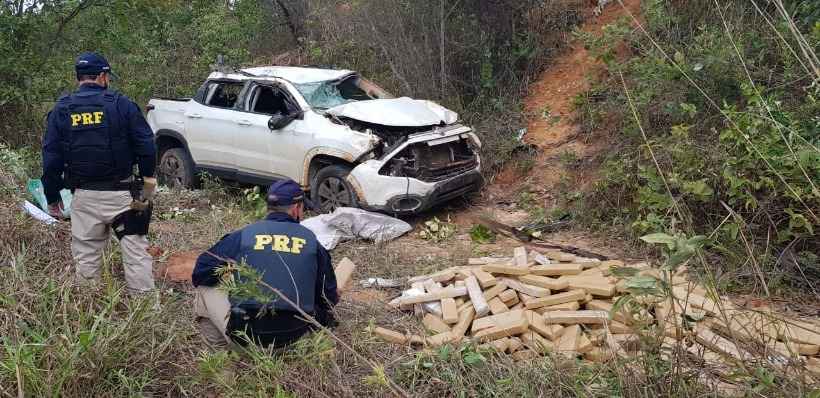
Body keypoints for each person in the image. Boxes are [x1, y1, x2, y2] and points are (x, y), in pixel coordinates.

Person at [41, 52, 157, 293]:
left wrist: (53, 197)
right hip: (124, 197)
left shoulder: (61, 110)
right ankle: (147, 314)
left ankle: (89, 312)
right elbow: (147, 147)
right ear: (103, 77)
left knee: (86, 260)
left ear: (79, 78)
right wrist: (147, 184)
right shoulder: (122, 105)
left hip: (83, 197)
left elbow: (51, 160)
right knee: (136, 254)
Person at [191, 179, 339, 349]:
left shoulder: (244, 235)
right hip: (296, 339)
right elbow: (328, 300)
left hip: (247, 337)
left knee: (204, 288)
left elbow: (200, 272)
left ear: (268, 207)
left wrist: (232, 276)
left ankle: (220, 357)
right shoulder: (312, 242)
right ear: (297, 209)